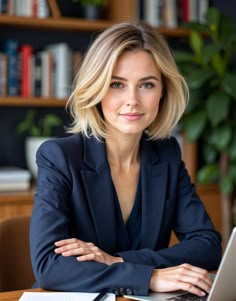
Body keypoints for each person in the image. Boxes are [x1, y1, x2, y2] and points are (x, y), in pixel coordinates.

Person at [30, 21, 221, 297]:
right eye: (117, 84)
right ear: (96, 89)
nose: (132, 100)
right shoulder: (59, 157)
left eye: (146, 84)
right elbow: (49, 267)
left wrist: (119, 262)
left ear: (163, 91)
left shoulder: (166, 154)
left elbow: (208, 245)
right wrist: (150, 276)